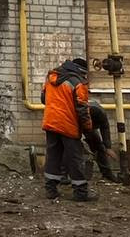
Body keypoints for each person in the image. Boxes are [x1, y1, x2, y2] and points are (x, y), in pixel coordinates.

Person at [41, 57, 97, 202]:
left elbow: (43, 99)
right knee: (75, 159)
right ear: (81, 71)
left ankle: (51, 190)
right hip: (68, 125)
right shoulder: (78, 83)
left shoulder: (51, 77)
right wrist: (88, 128)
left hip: (51, 123)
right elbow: (82, 109)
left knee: (53, 156)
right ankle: (80, 192)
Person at [83, 99, 119, 182]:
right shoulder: (81, 113)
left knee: (99, 147)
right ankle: (65, 176)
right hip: (73, 125)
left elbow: (105, 128)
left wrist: (108, 147)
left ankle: (107, 174)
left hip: (88, 124)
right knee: (72, 148)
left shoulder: (100, 114)